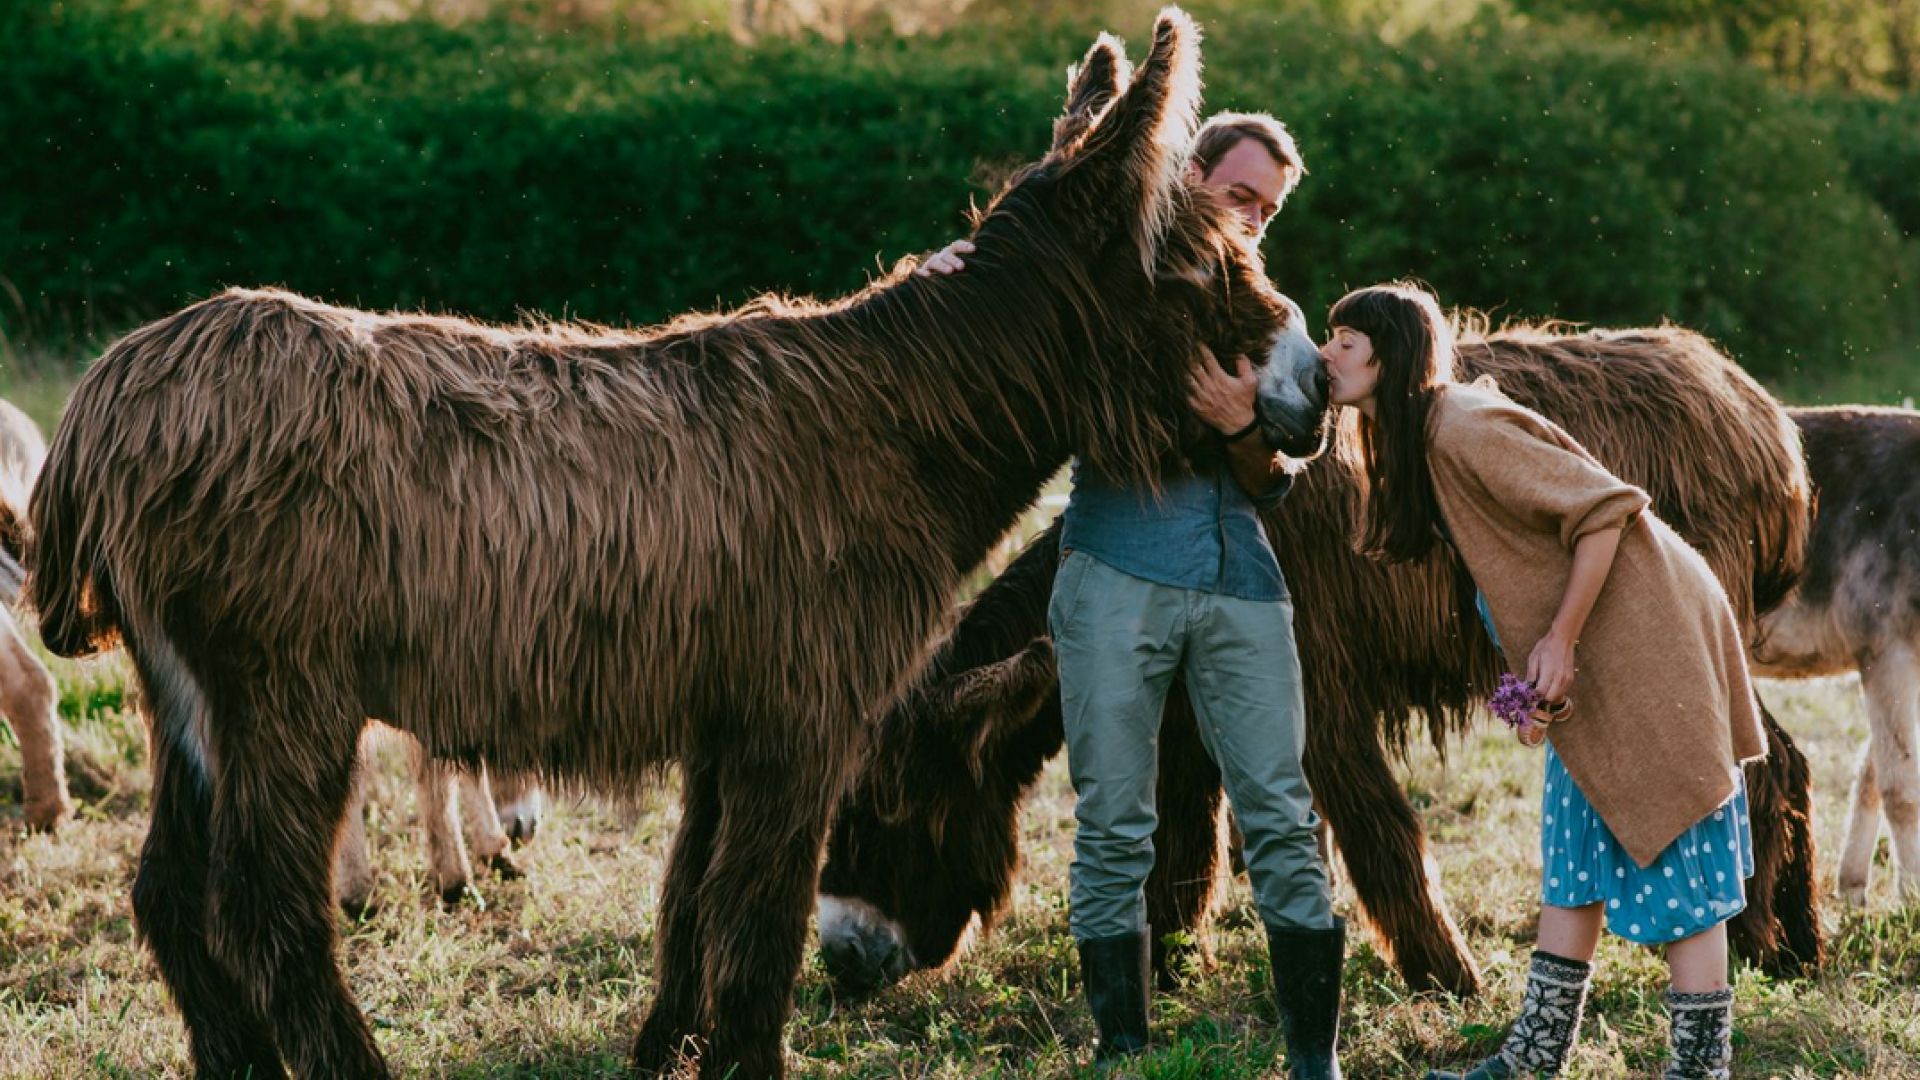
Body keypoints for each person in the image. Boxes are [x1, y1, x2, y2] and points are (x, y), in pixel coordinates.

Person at [920, 112, 1345, 1079]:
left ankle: (1314, 1058)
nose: (1254, 221)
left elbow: (1288, 462)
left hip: (1241, 584)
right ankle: (1122, 1050)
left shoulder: (1267, 312)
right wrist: (942, 278)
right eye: (1241, 196)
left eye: (1270, 210)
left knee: (1279, 811)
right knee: (1114, 820)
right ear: (1189, 176)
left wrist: (1243, 427)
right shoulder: (1101, 281)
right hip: (1113, 577)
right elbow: (995, 327)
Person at [1318, 282, 1759, 1080]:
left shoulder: (1461, 425)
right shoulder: (1426, 442)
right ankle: (1531, 1060)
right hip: (1603, 646)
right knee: (1577, 849)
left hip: (1649, 641)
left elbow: (1605, 509)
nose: (1327, 354)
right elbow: (1513, 578)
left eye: (1344, 340)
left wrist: (1560, 638)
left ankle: (1701, 1070)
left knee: (1677, 840)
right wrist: (1529, 683)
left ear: (1391, 354)